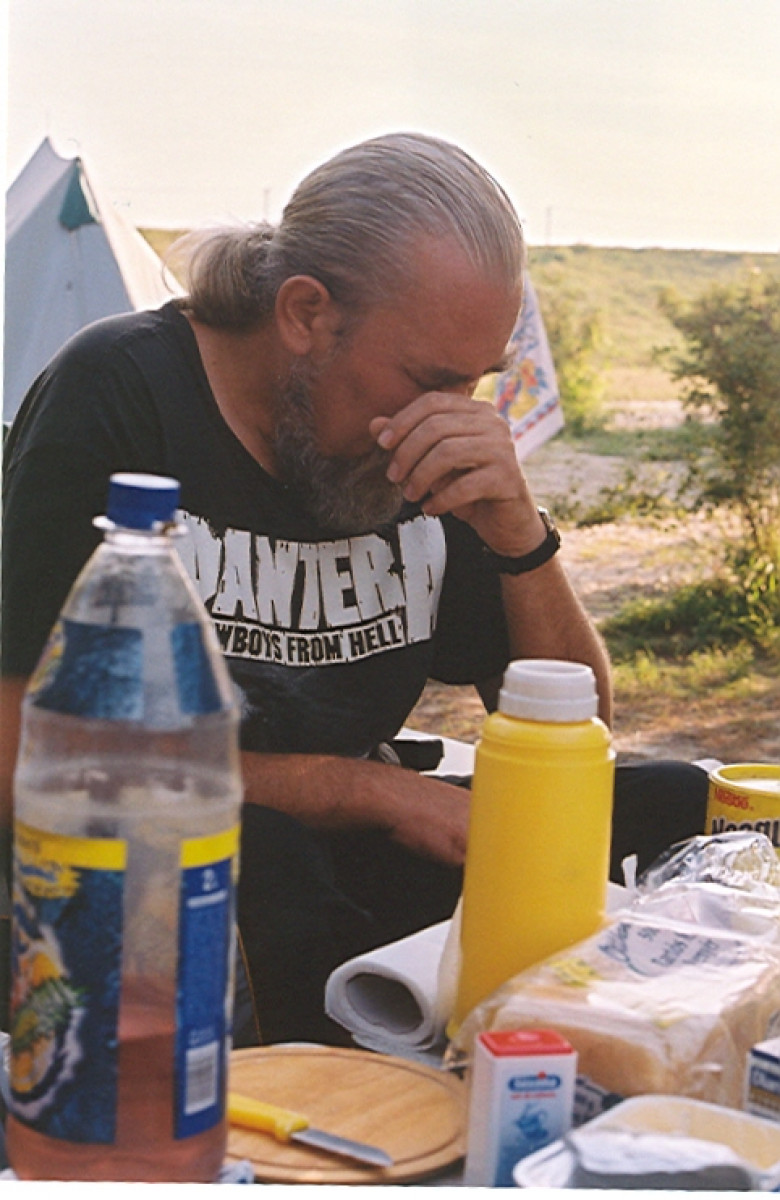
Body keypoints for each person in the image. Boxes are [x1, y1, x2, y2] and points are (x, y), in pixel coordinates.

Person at [1, 132, 708, 1043]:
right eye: (430, 378)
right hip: (160, 856)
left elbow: (580, 732)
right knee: (270, 860)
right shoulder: (123, 393)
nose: (453, 412)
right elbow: (26, 757)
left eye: (477, 381)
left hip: (354, 850)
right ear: (305, 313)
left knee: (676, 803)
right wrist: (361, 790)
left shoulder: (422, 447)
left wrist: (518, 535)